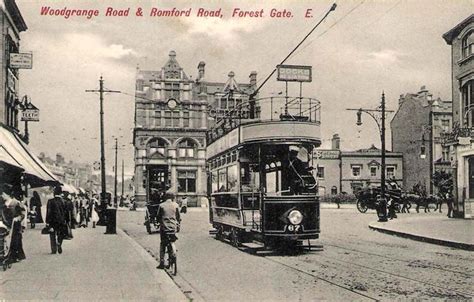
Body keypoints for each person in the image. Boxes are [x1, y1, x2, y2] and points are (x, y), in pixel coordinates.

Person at [156, 191, 181, 269]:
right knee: (172, 241)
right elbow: (178, 217)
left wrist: (158, 222)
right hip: (173, 227)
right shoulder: (176, 205)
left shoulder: (161, 205)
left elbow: (158, 216)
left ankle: (162, 263)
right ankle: (173, 254)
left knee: (163, 244)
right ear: (173, 198)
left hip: (164, 228)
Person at [46, 186, 67, 254]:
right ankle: (59, 243)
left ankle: (53, 249)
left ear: (54, 193)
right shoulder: (64, 201)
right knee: (61, 233)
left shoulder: (50, 201)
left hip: (53, 221)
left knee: (52, 234)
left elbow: (48, 212)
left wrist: (47, 222)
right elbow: (66, 212)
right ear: (61, 193)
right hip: (61, 220)